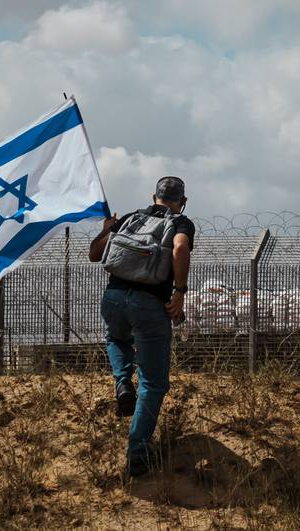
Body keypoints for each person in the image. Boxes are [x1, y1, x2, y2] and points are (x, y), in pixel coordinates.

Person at [88, 176, 194, 476]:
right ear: (183, 201)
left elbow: (95, 255)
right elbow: (180, 248)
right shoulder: (181, 222)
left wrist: (107, 229)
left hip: (114, 296)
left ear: (154, 196)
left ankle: (122, 382)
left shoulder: (132, 218)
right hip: (149, 304)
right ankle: (137, 453)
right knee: (153, 382)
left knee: (116, 339)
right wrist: (180, 292)